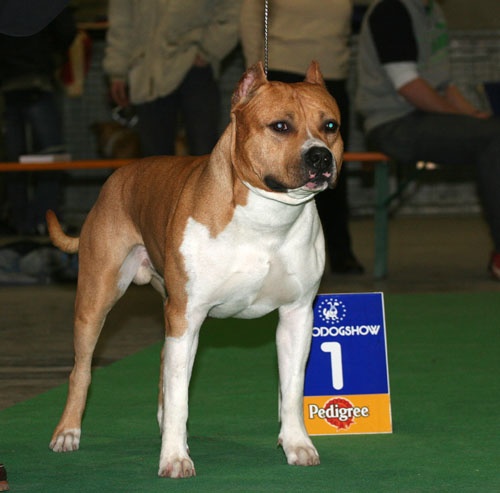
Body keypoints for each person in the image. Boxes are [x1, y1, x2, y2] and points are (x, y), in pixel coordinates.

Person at [356, 0, 500, 281]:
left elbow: (445, 86)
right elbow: (409, 86)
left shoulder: (432, 10)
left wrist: (474, 115)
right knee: (493, 139)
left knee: (493, 131)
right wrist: (467, 122)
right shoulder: (391, 10)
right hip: (392, 123)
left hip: (422, 117)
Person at [240, 0, 364, 275]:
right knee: (277, 174)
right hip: (280, 69)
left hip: (332, 73)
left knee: (327, 166)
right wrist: (257, 77)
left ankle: (338, 250)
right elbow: (250, 17)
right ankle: (260, 256)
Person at [103, 0, 242, 157]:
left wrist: (208, 50)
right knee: (155, 161)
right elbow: (120, 23)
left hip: (195, 66)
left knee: (204, 155)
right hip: (148, 74)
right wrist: (117, 71)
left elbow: (231, 11)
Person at [0, 7, 76, 235]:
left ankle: (19, 221)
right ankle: (45, 221)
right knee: (51, 155)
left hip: (7, 82)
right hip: (38, 76)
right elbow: (66, 30)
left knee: (13, 159)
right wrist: (51, 53)